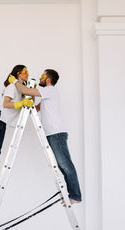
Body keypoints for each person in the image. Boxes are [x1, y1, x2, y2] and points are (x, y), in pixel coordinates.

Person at [8, 69, 82, 205]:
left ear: (48, 79)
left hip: (56, 133)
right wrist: (24, 102)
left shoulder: (50, 90)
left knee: (65, 165)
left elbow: (25, 91)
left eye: (43, 76)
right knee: (62, 165)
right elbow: (35, 108)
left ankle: (75, 196)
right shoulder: (48, 95)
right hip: (52, 134)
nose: (40, 78)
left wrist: (16, 82)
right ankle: (74, 195)